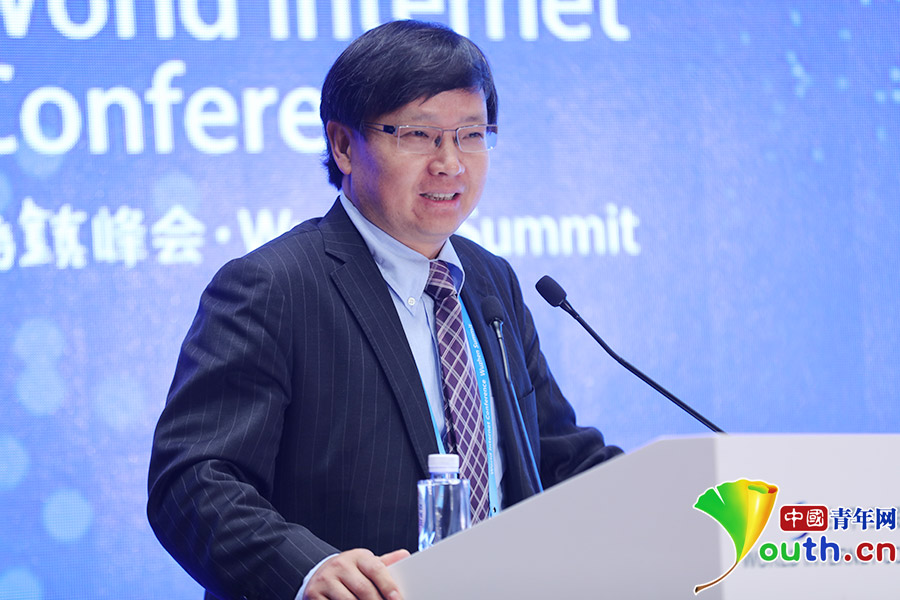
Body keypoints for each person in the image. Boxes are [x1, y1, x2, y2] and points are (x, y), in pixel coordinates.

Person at [147, 19, 622, 600]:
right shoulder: (273, 287)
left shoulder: (489, 280)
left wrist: (674, 499)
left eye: (472, 135)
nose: (451, 163)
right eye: (419, 135)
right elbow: (192, 482)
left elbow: (554, 455)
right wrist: (306, 569)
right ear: (344, 146)